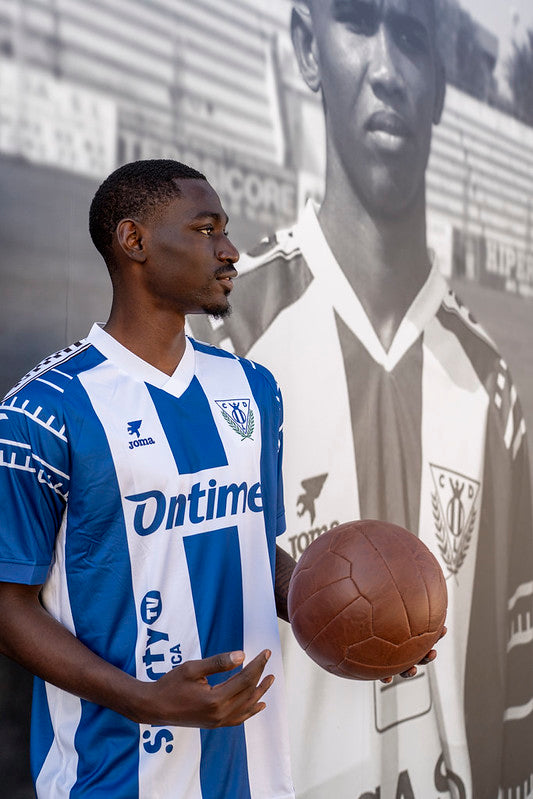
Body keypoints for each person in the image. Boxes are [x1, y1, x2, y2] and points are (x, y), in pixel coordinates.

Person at [187, 1, 533, 797]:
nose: (386, 70)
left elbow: (513, 666)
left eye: (410, 36)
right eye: (355, 21)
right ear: (307, 48)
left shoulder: (490, 382)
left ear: (439, 85)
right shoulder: (220, 341)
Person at [0, 159, 298, 798]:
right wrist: (144, 700)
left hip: (256, 772)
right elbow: (7, 606)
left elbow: (256, 549)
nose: (230, 251)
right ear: (133, 240)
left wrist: (363, 621)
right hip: (111, 778)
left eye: (225, 231)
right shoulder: (44, 411)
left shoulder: (254, 388)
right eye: (206, 230)